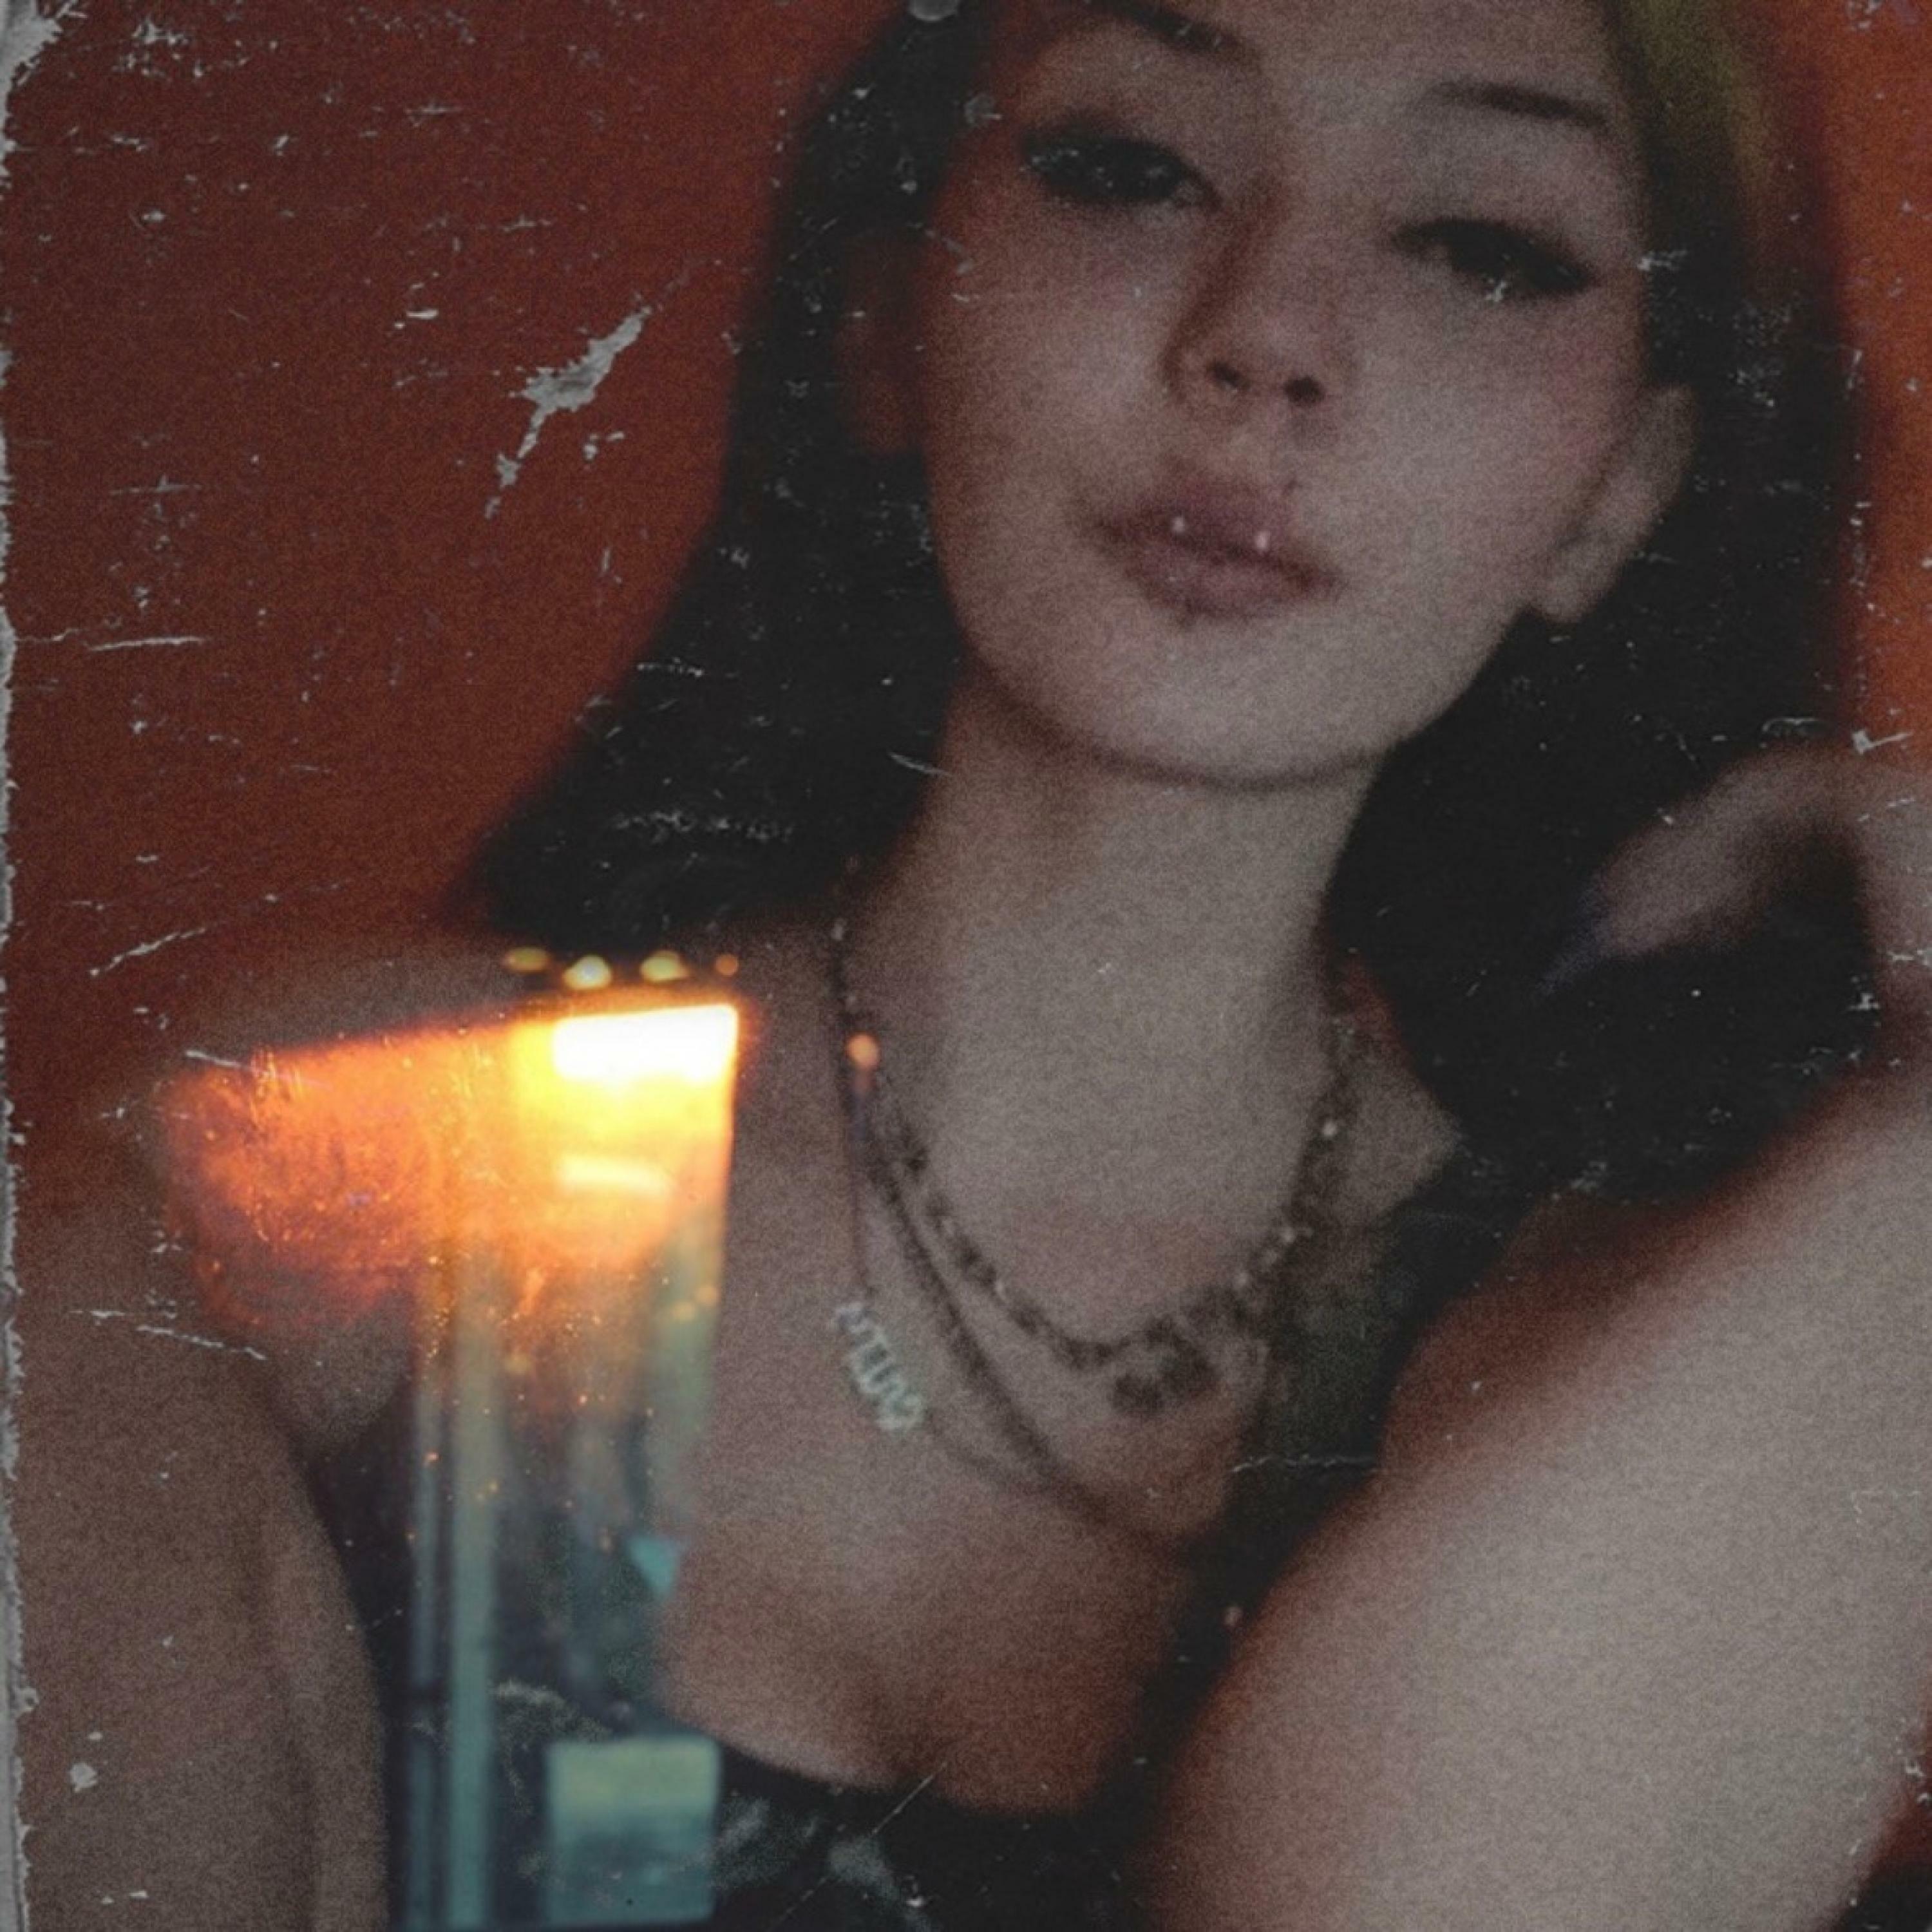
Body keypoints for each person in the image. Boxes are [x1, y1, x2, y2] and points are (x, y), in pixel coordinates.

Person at [131, 0, 1932, 1924]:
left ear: (1621, 492)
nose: (1267, 337)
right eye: (1130, 168)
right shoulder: (324, 1166)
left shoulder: (1634, 1337)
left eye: (1480, 246)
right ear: (887, 317)